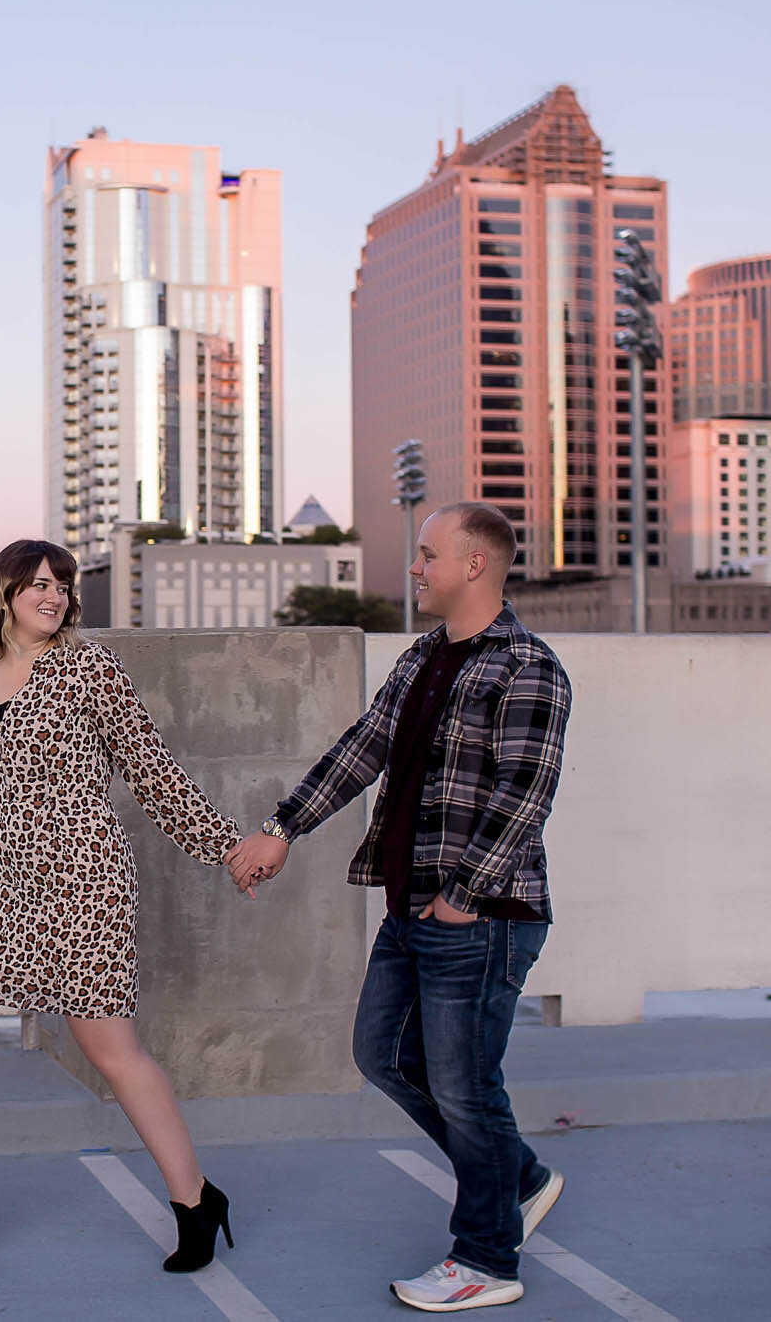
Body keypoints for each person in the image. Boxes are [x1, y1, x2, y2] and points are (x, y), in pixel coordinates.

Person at [224, 502, 573, 1313]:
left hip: (480, 917)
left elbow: (526, 796)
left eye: (427, 555)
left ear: (476, 563)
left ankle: (486, 1257)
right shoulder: (424, 656)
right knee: (382, 1054)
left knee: (466, 1085)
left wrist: (462, 895)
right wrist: (284, 826)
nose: (415, 569)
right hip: (410, 907)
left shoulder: (528, 666)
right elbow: (362, 749)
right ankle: (516, 1178)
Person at [0, 538, 245, 1274]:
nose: (54, 595)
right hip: (0, 880)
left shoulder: (90, 667)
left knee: (109, 1049)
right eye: (39, 583)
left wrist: (224, 846)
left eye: (62, 585)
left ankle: (195, 1199)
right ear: (4, 593)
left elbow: (152, 770)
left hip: (82, 877)